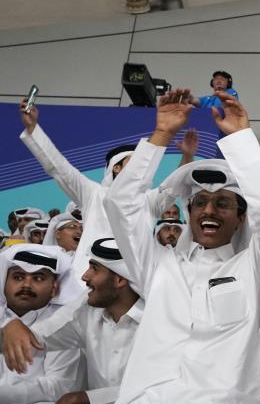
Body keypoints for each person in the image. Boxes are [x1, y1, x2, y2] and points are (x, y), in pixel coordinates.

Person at [33, 89, 260, 404]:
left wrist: (241, 140)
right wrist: (160, 135)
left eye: (223, 204)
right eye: (200, 203)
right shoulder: (159, 266)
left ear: (239, 217)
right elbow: (122, 208)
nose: (209, 211)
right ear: (188, 214)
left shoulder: (254, 267)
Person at [3, 238, 141, 404]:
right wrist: (12, 328)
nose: (85, 276)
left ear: (119, 279)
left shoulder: (158, 320)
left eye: (94, 269)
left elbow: (147, 391)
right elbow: (39, 337)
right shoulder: (87, 309)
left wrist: (74, 399)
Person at [18, 102, 191, 277]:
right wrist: (33, 129)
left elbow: (173, 187)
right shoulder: (93, 193)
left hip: (133, 280)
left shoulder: (149, 200)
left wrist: (188, 156)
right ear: (116, 167)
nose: (140, 167)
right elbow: (58, 168)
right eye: (134, 162)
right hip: (88, 277)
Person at [0, 245, 83, 404]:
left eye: (38, 278)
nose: (26, 285)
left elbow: (60, 385)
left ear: (54, 288)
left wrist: (5, 396)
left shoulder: (64, 323)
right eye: (18, 277)